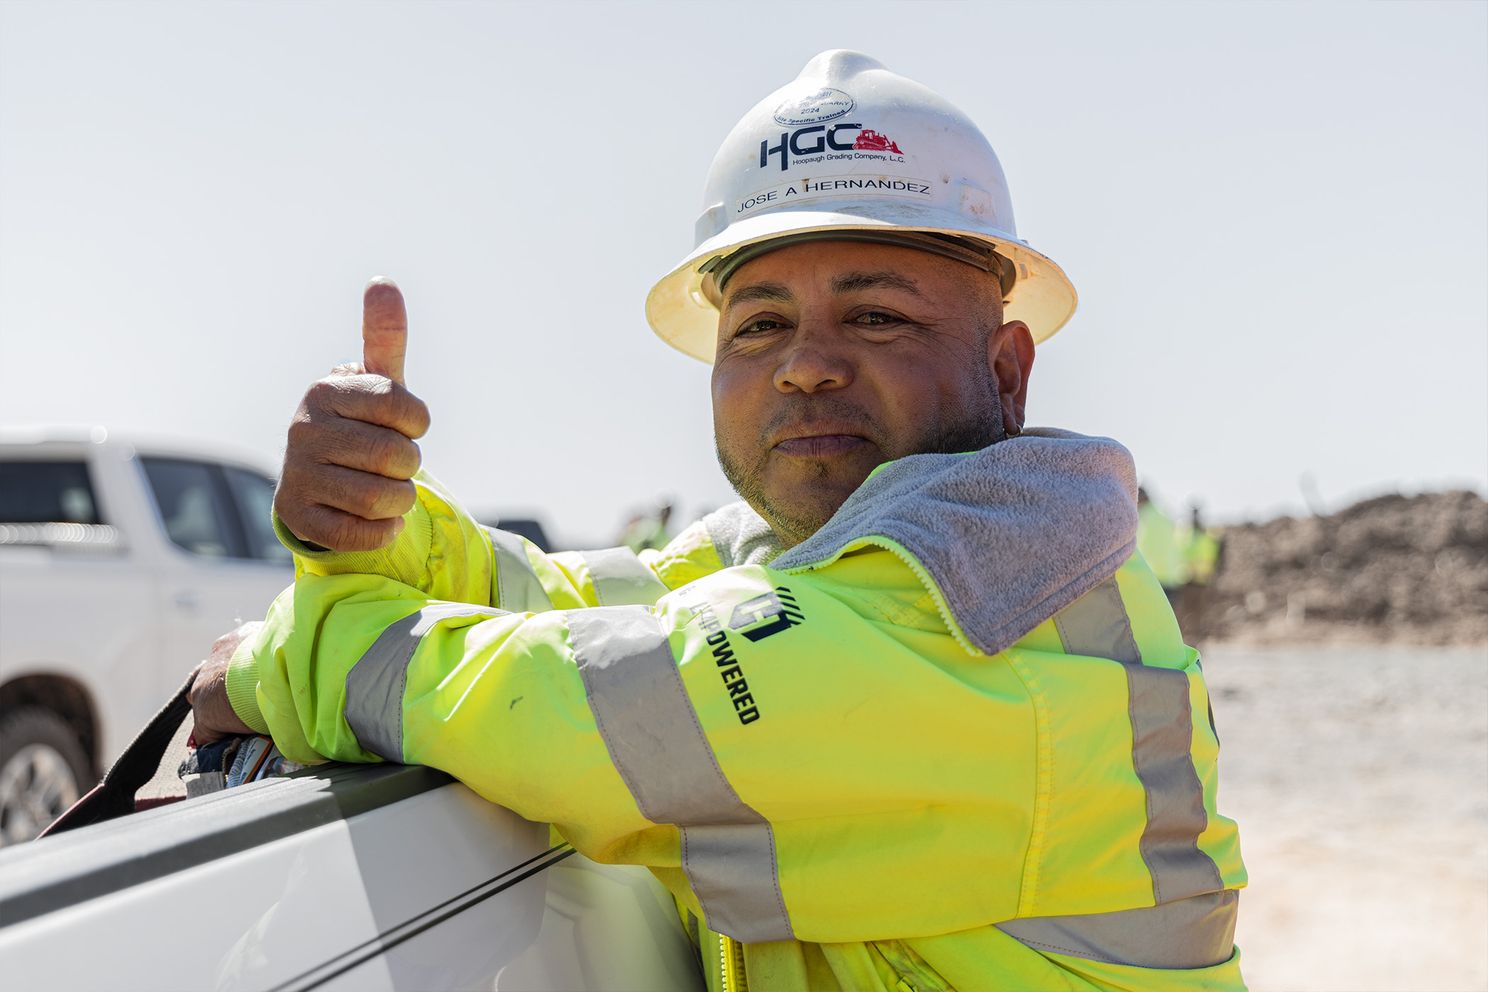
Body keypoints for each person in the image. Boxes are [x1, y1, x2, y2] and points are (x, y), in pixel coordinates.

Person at [190, 51, 1246, 991]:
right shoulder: (804, 566)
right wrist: (380, 526)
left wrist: (270, 661)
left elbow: (588, 706)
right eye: (760, 324)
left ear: (1006, 372)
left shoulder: (997, 611)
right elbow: (579, 605)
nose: (803, 362)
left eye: (877, 314)